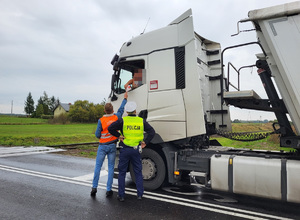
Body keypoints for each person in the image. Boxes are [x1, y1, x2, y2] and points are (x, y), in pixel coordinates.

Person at [108, 101, 155, 202]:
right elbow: (152, 132)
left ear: (127, 111)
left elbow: (110, 128)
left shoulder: (122, 120)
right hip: (136, 150)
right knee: (138, 171)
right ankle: (139, 194)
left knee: (122, 172)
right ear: (135, 110)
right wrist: (145, 142)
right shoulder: (141, 121)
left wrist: (118, 136)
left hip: (125, 150)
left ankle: (121, 196)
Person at [90, 92, 128, 197]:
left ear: (104, 110)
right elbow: (121, 109)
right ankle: (108, 189)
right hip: (112, 145)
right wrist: (125, 99)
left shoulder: (101, 120)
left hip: (102, 146)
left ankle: (94, 187)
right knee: (111, 167)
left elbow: (97, 134)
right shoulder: (116, 117)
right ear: (112, 110)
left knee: (98, 166)